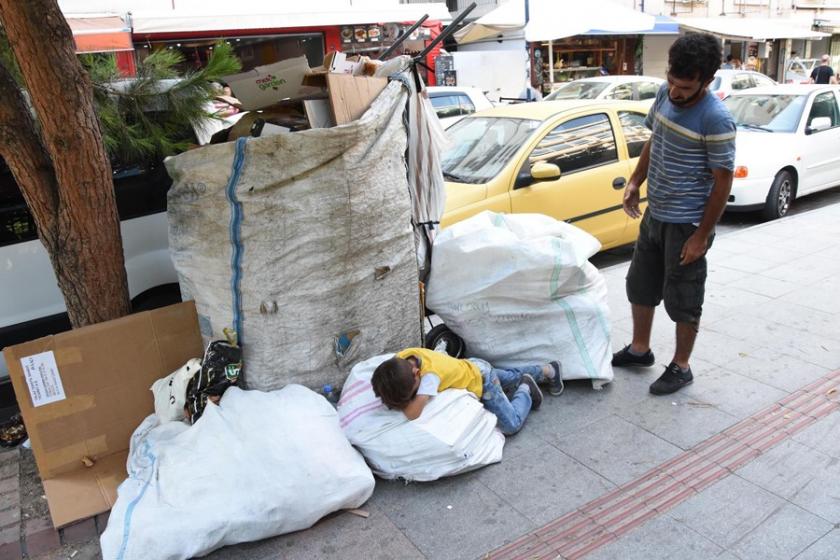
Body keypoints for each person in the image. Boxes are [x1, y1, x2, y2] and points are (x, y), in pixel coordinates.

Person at [612, 33, 736, 395]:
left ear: (706, 80)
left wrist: (700, 237)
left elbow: (722, 183)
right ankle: (640, 349)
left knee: (684, 297)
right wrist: (636, 181)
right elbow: (656, 138)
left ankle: (681, 367)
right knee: (640, 285)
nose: (676, 91)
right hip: (656, 213)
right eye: (672, 81)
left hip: (687, 224)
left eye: (685, 86)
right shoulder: (666, 95)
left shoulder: (716, 119)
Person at [371, 348, 564, 435]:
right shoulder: (403, 357)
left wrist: (400, 401)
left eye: (413, 390)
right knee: (509, 376)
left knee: (511, 425)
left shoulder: (430, 377)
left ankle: (526, 389)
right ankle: (549, 370)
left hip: (481, 381)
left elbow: (413, 413)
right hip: (472, 365)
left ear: (417, 373)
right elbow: (388, 377)